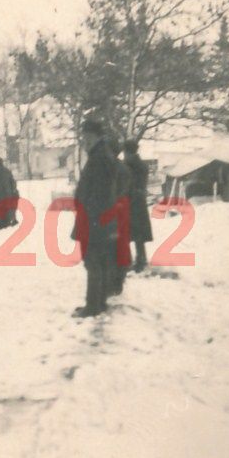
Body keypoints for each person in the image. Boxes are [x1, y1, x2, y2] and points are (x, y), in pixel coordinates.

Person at [71, 119, 119, 318]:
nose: (85, 140)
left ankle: (93, 306)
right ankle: (99, 303)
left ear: (97, 136)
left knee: (92, 262)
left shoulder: (99, 158)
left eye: (88, 136)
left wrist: (90, 215)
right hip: (100, 219)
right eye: (84, 136)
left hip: (95, 220)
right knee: (99, 261)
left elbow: (99, 194)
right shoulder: (102, 154)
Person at [107, 138, 132, 297]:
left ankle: (113, 282)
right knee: (122, 244)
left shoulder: (111, 169)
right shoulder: (124, 168)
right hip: (123, 208)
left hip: (113, 209)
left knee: (112, 245)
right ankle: (119, 280)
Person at [123, 139, 153, 272]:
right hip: (139, 202)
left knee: (126, 233)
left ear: (128, 152)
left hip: (130, 202)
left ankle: (130, 261)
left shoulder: (127, 166)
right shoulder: (142, 165)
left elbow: (127, 185)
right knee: (138, 235)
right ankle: (141, 260)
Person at [0, 157, 18, 229]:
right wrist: (12, 190)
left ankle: (0, 224)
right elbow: (13, 181)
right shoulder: (7, 170)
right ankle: (7, 222)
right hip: (8, 193)